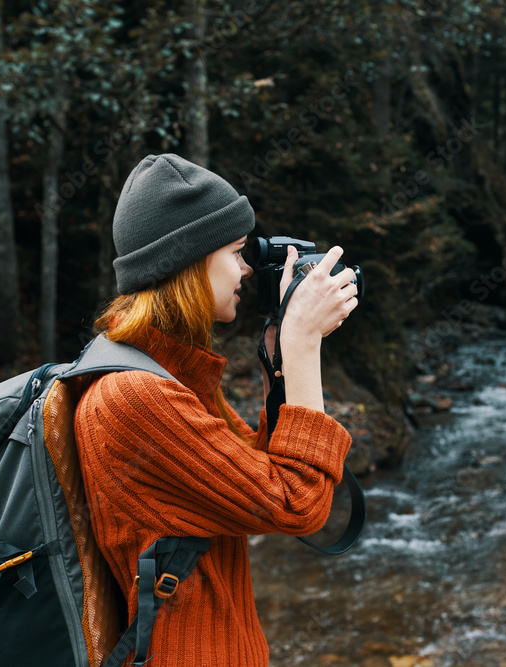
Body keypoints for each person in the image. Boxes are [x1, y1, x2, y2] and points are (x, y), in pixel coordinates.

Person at [74, 153, 359, 666]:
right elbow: (299, 504)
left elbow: (248, 487)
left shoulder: (163, 375)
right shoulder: (134, 399)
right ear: (189, 260)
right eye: (234, 251)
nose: (248, 267)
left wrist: (279, 363)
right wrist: (303, 346)